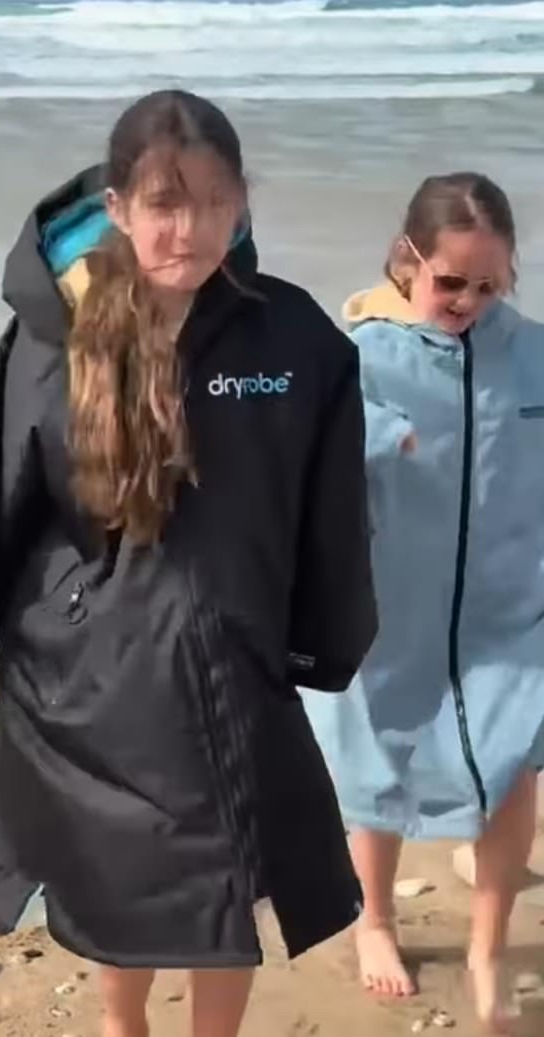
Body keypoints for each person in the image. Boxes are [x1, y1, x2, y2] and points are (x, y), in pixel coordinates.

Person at [0, 90, 376, 1037]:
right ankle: (124, 1028)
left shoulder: (295, 339)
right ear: (119, 206)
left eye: (213, 202)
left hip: (236, 660)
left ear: (242, 203)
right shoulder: (54, 335)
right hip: (89, 674)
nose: (189, 229)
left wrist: (322, 647)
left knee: (235, 883)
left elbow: (334, 517)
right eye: (165, 203)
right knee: (115, 882)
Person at [302, 172, 544, 1034]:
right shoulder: (361, 356)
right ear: (408, 260)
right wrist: (374, 432)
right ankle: (374, 917)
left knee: (515, 766)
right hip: (392, 604)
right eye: (450, 282)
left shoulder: (532, 353)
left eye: (490, 284)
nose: (468, 302)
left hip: (511, 604)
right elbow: (295, 444)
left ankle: (488, 946)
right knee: (379, 763)